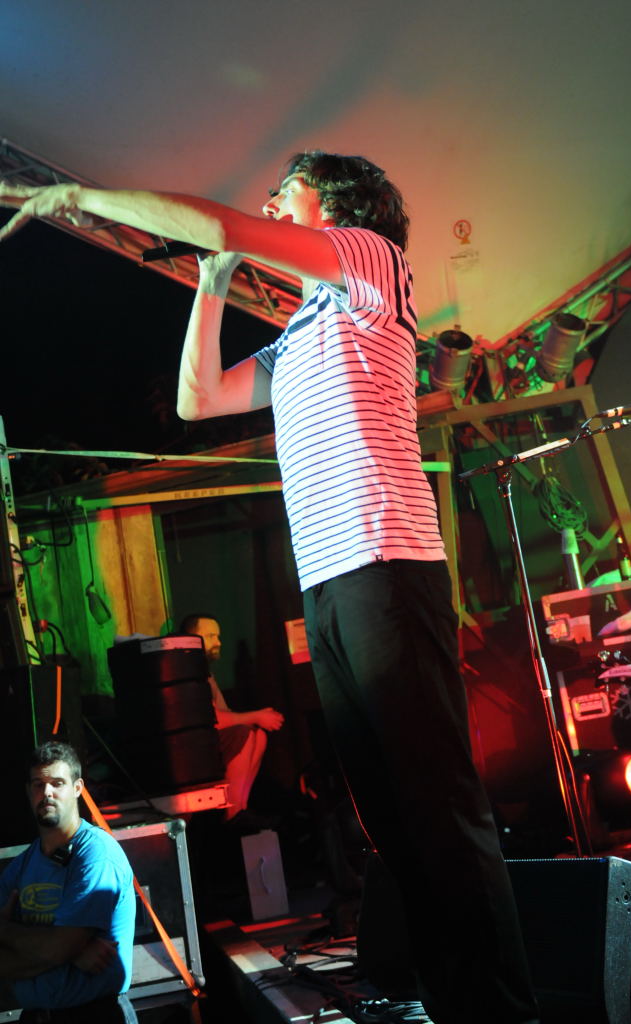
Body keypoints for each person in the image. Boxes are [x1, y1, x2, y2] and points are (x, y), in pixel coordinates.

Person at [0, 157, 539, 1022]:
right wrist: (212, 282)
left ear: (337, 202)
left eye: (285, 190)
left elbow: (224, 222)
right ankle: (450, 1000)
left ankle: (504, 1009)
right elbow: (197, 399)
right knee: (390, 817)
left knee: (435, 803)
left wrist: (81, 197)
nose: (270, 203)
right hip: (327, 584)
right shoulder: (297, 334)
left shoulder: (369, 261)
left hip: (388, 565)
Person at [0, 741, 137, 1023]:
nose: (46, 792)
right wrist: (72, 953)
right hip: (36, 1017)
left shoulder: (96, 854)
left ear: (77, 788)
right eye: (38, 784)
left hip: (95, 1015)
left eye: (57, 783)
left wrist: (6, 930)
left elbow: (57, 949)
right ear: (28, 792)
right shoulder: (19, 868)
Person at [178, 612, 283, 827]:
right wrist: (256, 716)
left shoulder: (206, 672)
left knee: (258, 735)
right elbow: (213, 720)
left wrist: (255, 719)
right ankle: (232, 814)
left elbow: (224, 713)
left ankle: (241, 806)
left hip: (208, 744)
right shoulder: (186, 671)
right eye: (211, 636)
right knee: (242, 735)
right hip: (191, 751)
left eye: (218, 636)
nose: (218, 642)